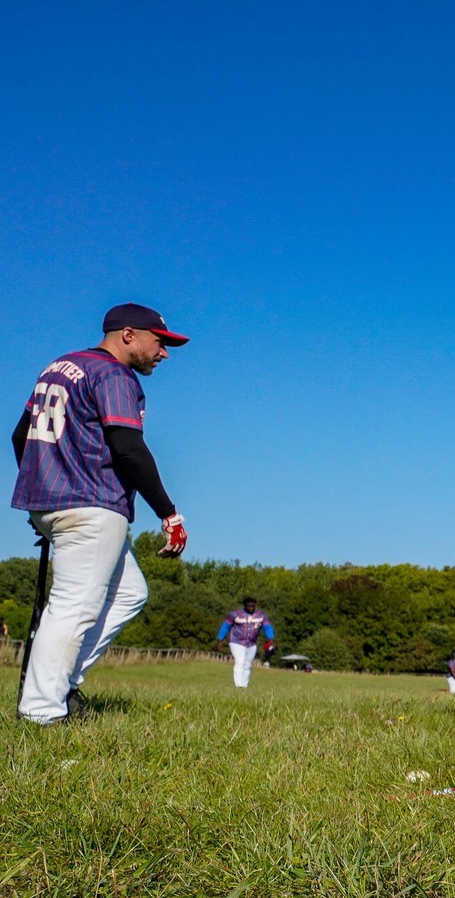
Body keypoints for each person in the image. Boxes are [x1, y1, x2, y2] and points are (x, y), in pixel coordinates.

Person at [10, 303, 190, 724]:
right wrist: (169, 513)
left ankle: (64, 682)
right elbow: (127, 447)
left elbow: (21, 435)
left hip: (54, 501)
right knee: (73, 606)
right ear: (128, 334)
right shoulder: (113, 374)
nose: (164, 353)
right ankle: (41, 711)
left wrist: (43, 495)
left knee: (129, 593)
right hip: (92, 504)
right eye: (160, 342)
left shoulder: (57, 366)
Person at [215, 597, 274, 688]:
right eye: (248, 606)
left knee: (247, 664)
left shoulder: (261, 616)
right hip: (236, 642)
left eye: (252, 606)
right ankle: (238, 685)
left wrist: (270, 639)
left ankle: (244, 685)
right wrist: (220, 640)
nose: (250, 608)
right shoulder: (234, 615)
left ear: (255, 605)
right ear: (244, 605)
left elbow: (267, 627)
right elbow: (225, 627)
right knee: (240, 661)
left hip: (252, 643)